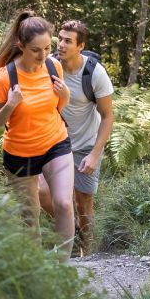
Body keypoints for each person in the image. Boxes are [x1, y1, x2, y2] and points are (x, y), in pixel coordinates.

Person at [0, 11, 74, 251]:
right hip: (19, 153)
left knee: (64, 204)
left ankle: (63, 272)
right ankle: (37, 276)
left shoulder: (54, 66)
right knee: (30, 217)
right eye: (36, 50)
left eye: (47, 48)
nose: (43, 55)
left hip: (55, 142)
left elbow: (55, 108)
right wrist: (10, 105)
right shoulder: (5, 78)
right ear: (21, 46)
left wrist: (65, 96)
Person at [38, 19, 114, 255]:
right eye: (59, 39)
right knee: (43, 193)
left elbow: (108, 116)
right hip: (55, 144)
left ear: (80, 46)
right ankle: (68, 235)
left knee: (84, 206)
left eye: (68, 41)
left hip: (85, 146)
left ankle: (88, 257)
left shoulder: (94, 73)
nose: (61, 44)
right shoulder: (48, 66)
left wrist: (94, 154)